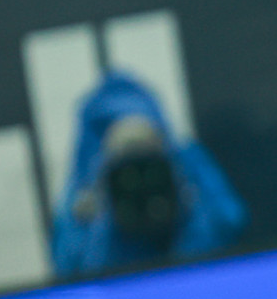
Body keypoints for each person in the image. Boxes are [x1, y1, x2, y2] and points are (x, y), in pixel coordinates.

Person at [53, 71, 245, 276]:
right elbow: (69, 267)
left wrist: (186, 201)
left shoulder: (185, 161)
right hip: (124, 281)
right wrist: (102, 216)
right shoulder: (86, 183)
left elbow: (230, 222)